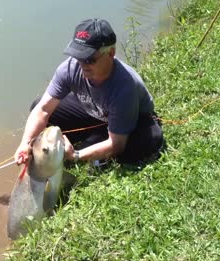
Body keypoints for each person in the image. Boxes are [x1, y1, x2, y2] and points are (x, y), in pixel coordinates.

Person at [14, 18, 164, 166]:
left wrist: (76, 155)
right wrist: (25, 143)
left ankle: (90, 145)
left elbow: (117, 144)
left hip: (132, 120)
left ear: (111, 53)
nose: (82, 64)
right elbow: (43, 110)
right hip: (97, 114)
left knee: (144, 143)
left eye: (89, 59)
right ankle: (94, 140)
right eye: (78, 56)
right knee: (37, 105)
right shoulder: (69, 69)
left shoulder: (125, 86)